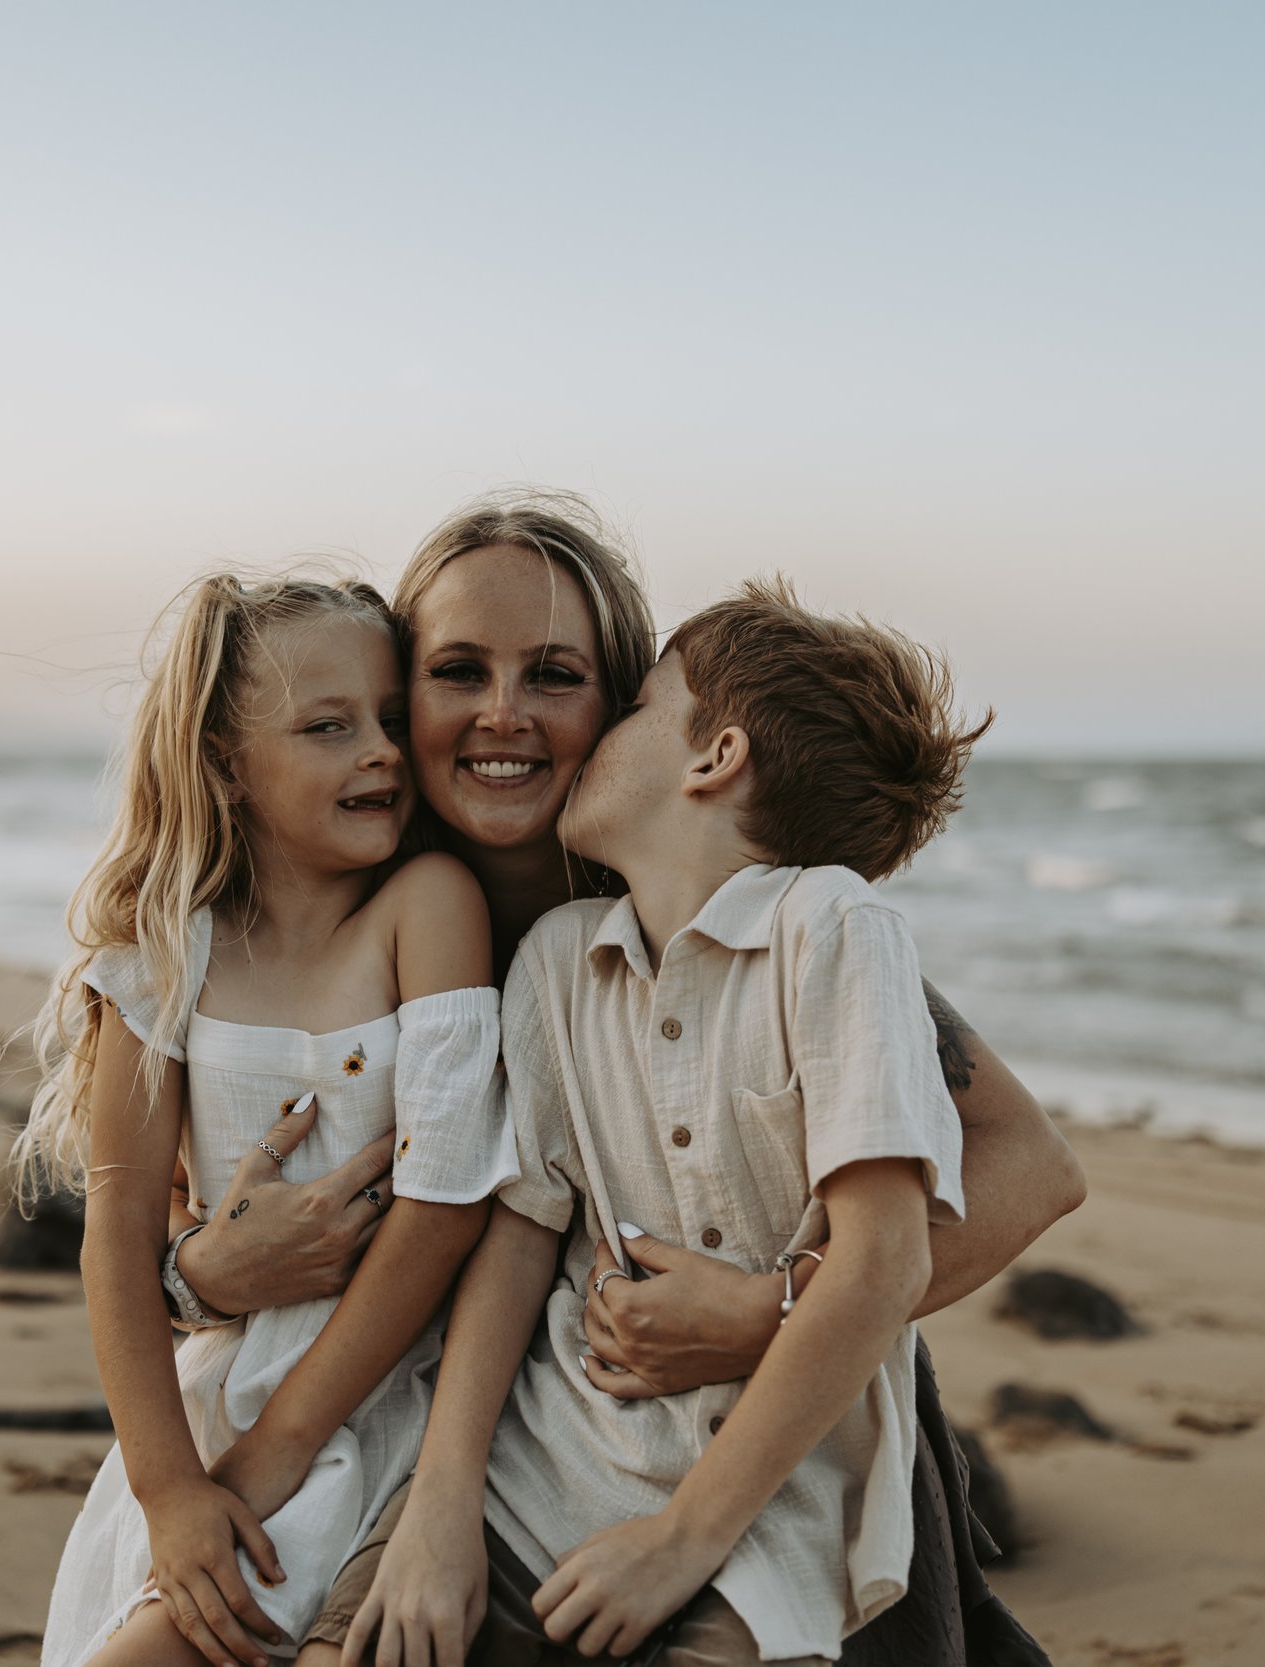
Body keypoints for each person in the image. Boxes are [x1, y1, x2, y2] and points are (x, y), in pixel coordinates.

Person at [159, 492, 1078, 1665]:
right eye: (456, 670)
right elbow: (183, 1190)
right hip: (418, 1431)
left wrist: (765, 1310)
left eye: (555, 674)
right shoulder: (342, 888)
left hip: (706, 1434)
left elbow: (1027, 1162)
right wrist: (194, 1271)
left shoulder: (733, 913)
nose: (503, 713)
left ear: (624, 701)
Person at [346, 578, 985, 1667]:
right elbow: (520, 1227)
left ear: (713, 754)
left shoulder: (832, 927)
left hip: (760, 1509)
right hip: (542, 1466)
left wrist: (683, 1537)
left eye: (636, 704)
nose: (600, 734)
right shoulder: (557, 956)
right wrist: (439, 1502)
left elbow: (883, 1258)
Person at [19, 573, 517, 1667]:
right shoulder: (167, 955)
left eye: (390, 719)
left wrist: (286, 1440)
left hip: (374, 1400)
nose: (381, 751)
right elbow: (117, 1230)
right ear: (225, 765)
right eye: (328, 726)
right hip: (208, 1415)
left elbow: (443, 1205)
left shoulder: (428, 906)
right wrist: (166, 1485)